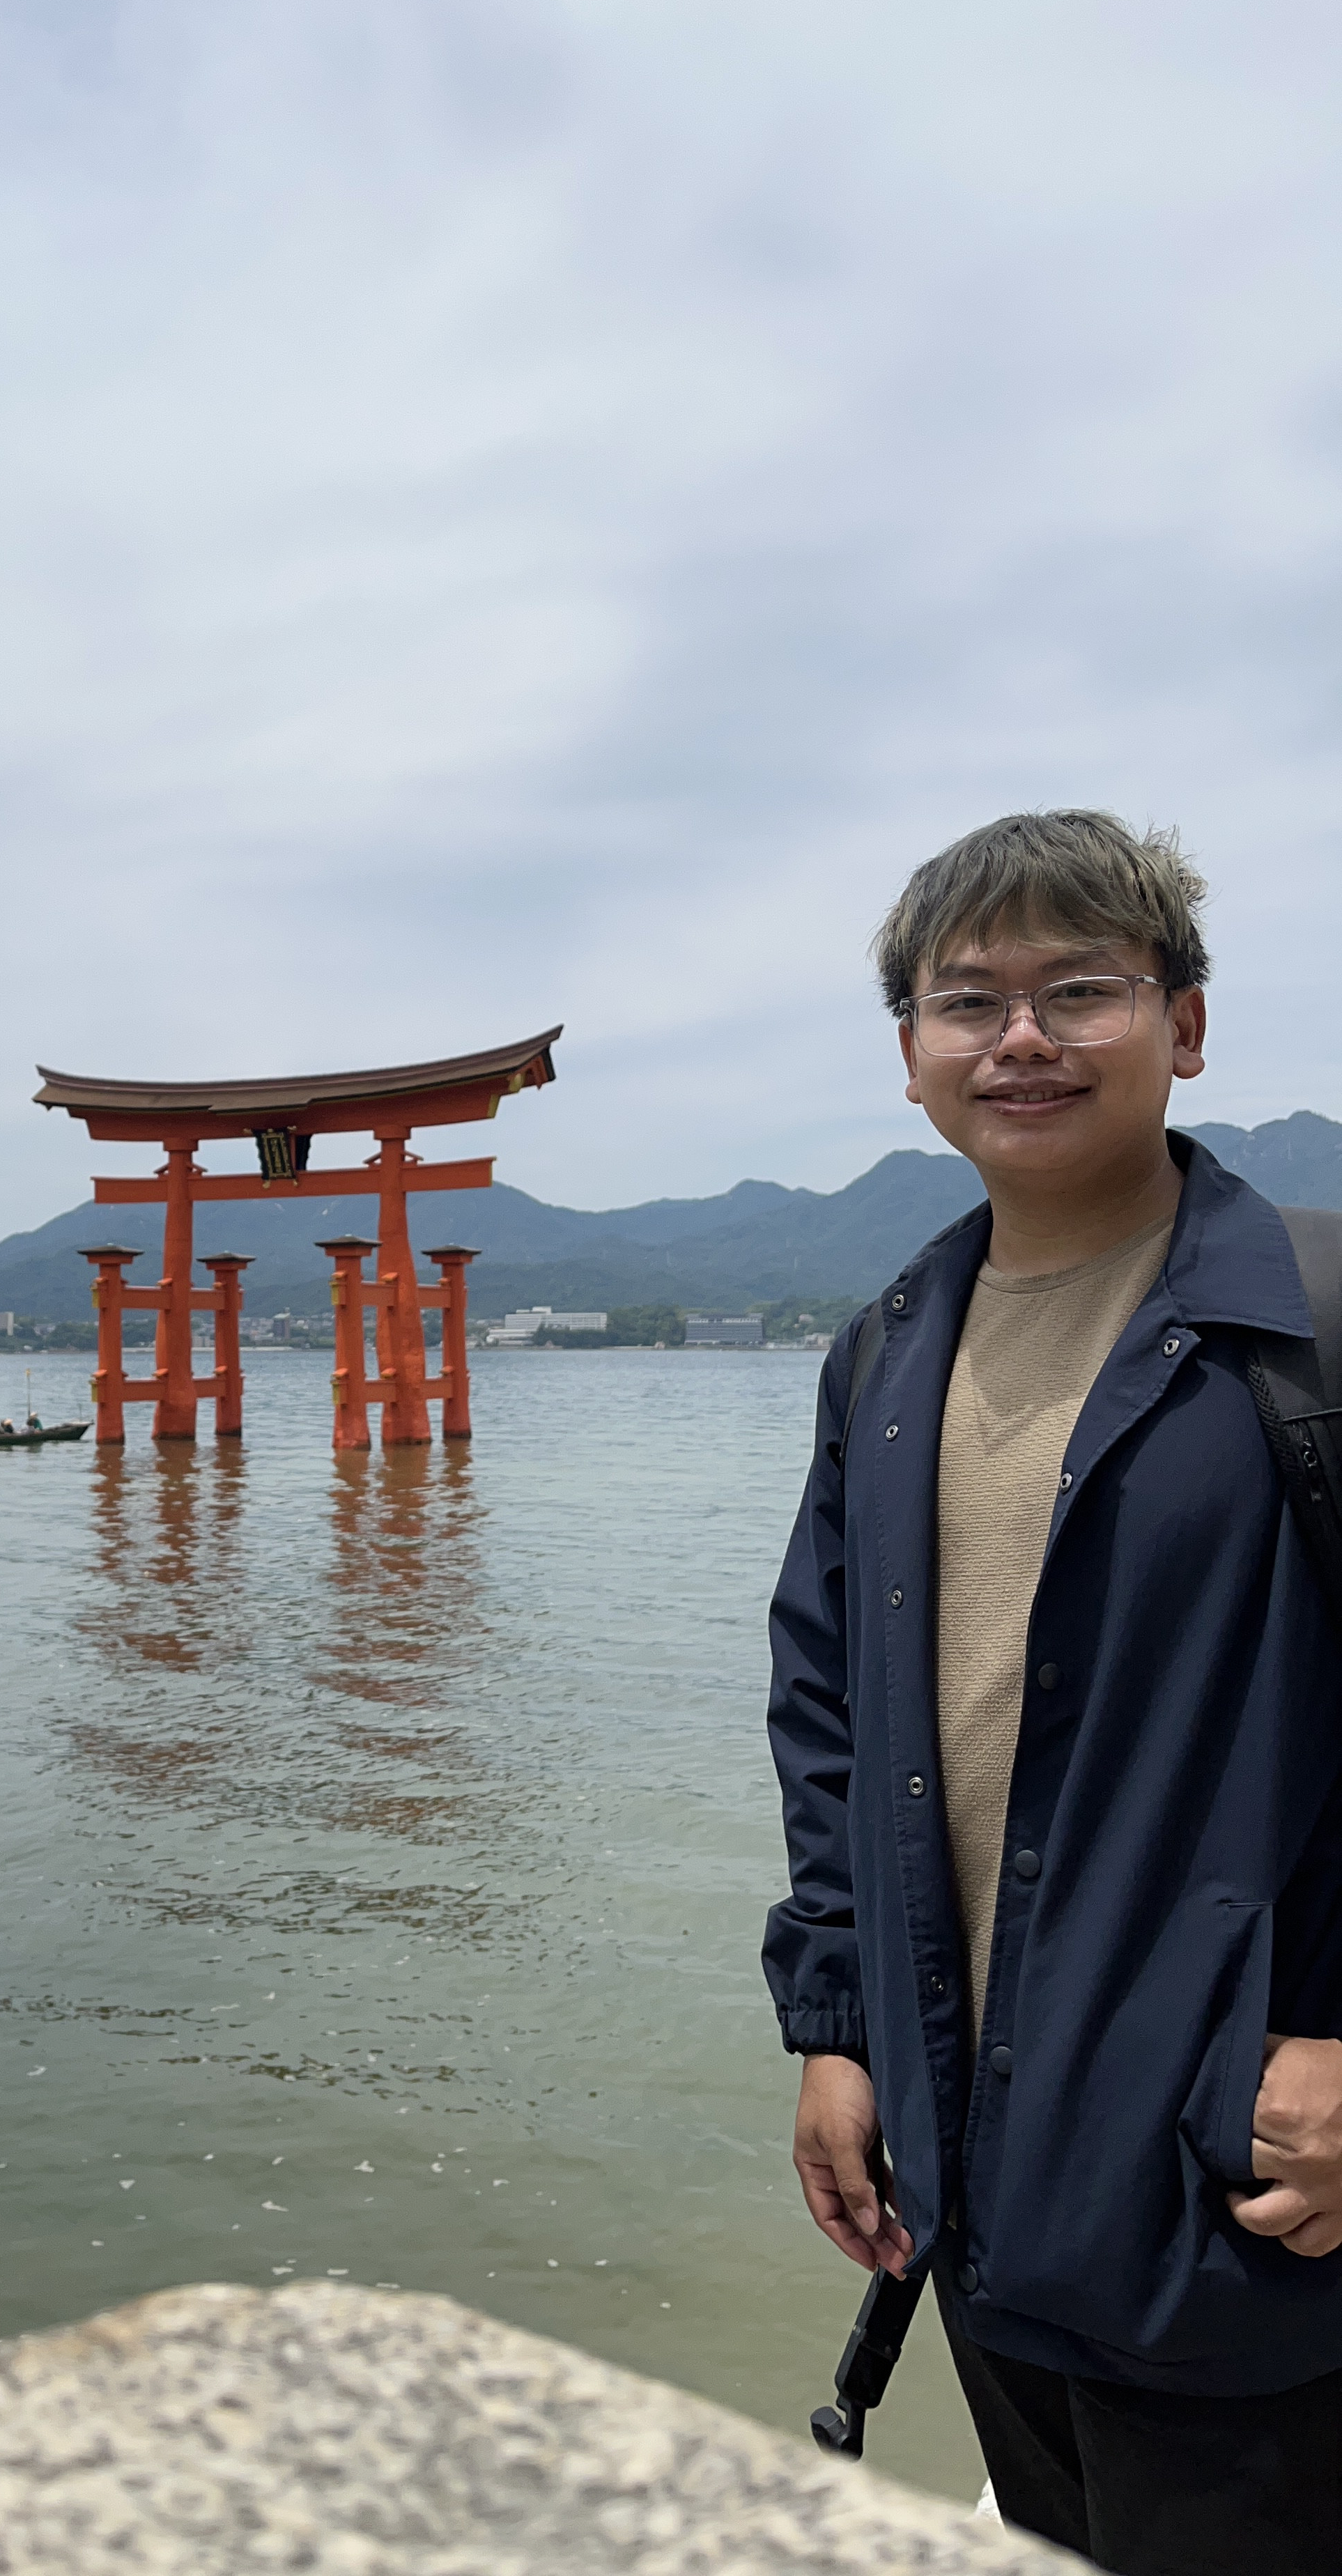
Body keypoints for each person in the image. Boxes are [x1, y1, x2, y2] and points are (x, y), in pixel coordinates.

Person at [764, 810, 1342, 2576]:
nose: (1021, 1038)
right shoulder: (886, 1350)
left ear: (1184, 1025)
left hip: (1250, 2174)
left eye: (1079, 988)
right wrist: (837, 2027)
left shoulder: (1310, 1321)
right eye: (969, 1001)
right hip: (982, 2179)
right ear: (914, 1063)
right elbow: (831, 1715)